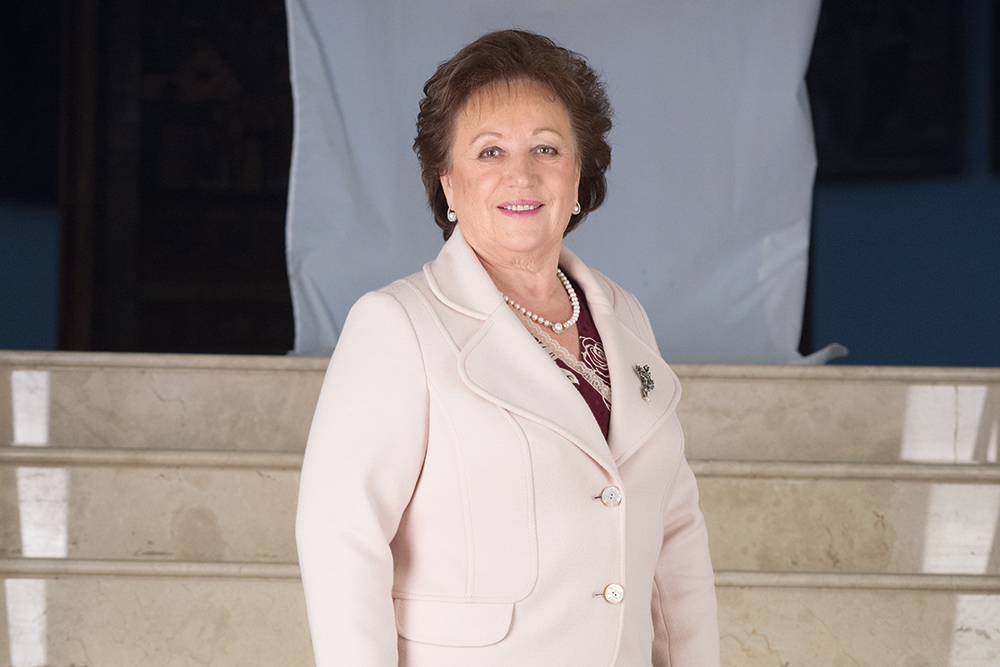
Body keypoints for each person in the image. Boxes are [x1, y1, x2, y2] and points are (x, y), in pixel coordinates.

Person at [295, 29, 720, 667]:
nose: (521, 174)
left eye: (546, 148)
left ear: (579, 174)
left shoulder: (624, 316)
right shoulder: (397, 324)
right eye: (489, 151)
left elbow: (675, 531)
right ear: (447, 183)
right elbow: (341, 538)